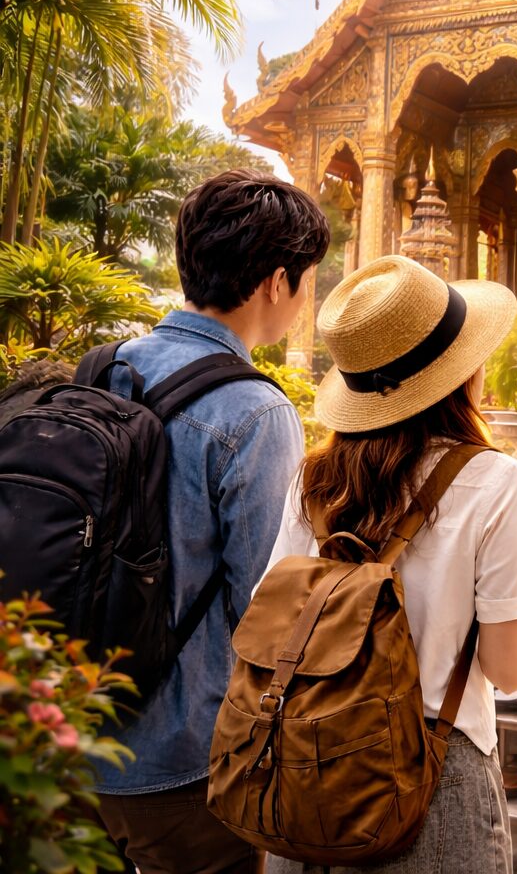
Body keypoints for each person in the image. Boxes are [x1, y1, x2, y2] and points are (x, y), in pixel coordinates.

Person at [265, 254, 517, 873]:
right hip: (431, 778)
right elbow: (508, 670)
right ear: (459, 373)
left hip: (306, 765)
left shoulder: (314, 481)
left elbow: (272, 620)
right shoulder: (493, 481)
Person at [94, 169, 331, 873]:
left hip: (68, 743)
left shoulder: (104, 368)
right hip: (182, 762)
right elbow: (269, 610)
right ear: (275, 282)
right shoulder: (255, 411)